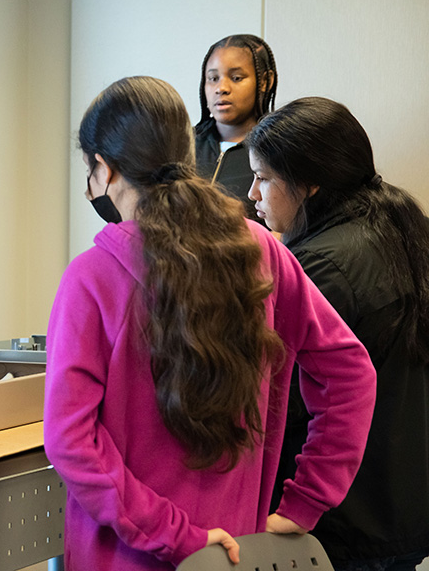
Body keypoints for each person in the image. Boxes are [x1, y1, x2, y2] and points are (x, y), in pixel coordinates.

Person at [44, 76, 376, 570]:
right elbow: (351, 371)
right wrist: (307, 499)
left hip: (125, 556)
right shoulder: (259, 250)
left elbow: (71, 441)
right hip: (234, 555)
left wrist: (174, 534)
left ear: (104, 168)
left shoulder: (91, 278)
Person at [246, 97, 429, 571]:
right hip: (403, 507)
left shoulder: (320, 267)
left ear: (309, 183)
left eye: (263, 177)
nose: (252, 194)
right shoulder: (405, 228)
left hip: (342, 520)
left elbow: (283, 399)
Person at [194, 33, 278, 221]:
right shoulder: (182, 143)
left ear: (265, 81)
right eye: (213, 78)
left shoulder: (278, 149)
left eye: (237, 78)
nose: (221, 88)